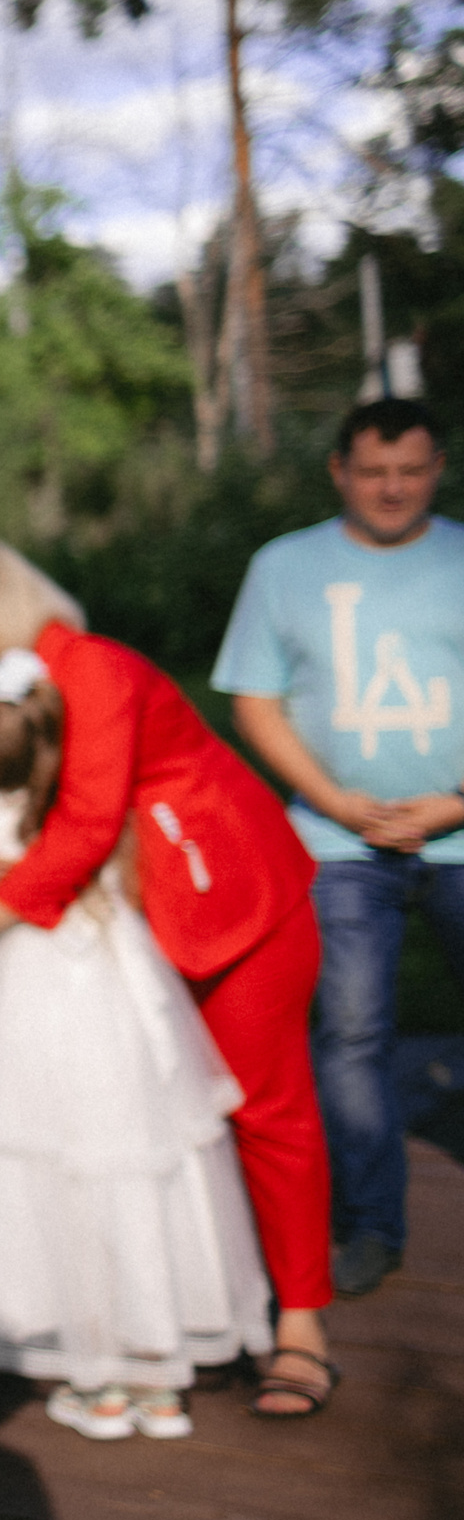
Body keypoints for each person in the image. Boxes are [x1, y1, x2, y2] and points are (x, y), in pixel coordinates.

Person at [0, 539, 337, 1418]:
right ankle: (154, 1315)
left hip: (225, 903)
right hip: (121, 929)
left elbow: (90, 819)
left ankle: (300, 1325)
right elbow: (9, 788)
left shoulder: (96, 669)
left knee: (264, 1108)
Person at [213, 398, 462, 1300]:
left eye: (412, 468)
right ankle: (370, 1222)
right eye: (373, 471)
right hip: (336, 842)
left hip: (462, 830)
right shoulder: (285, 567)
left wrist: (450, 804)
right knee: (352, 1035)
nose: (393, 487)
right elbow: (256, 700)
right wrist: (340, 804)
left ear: (438, 465)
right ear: (339, 470)